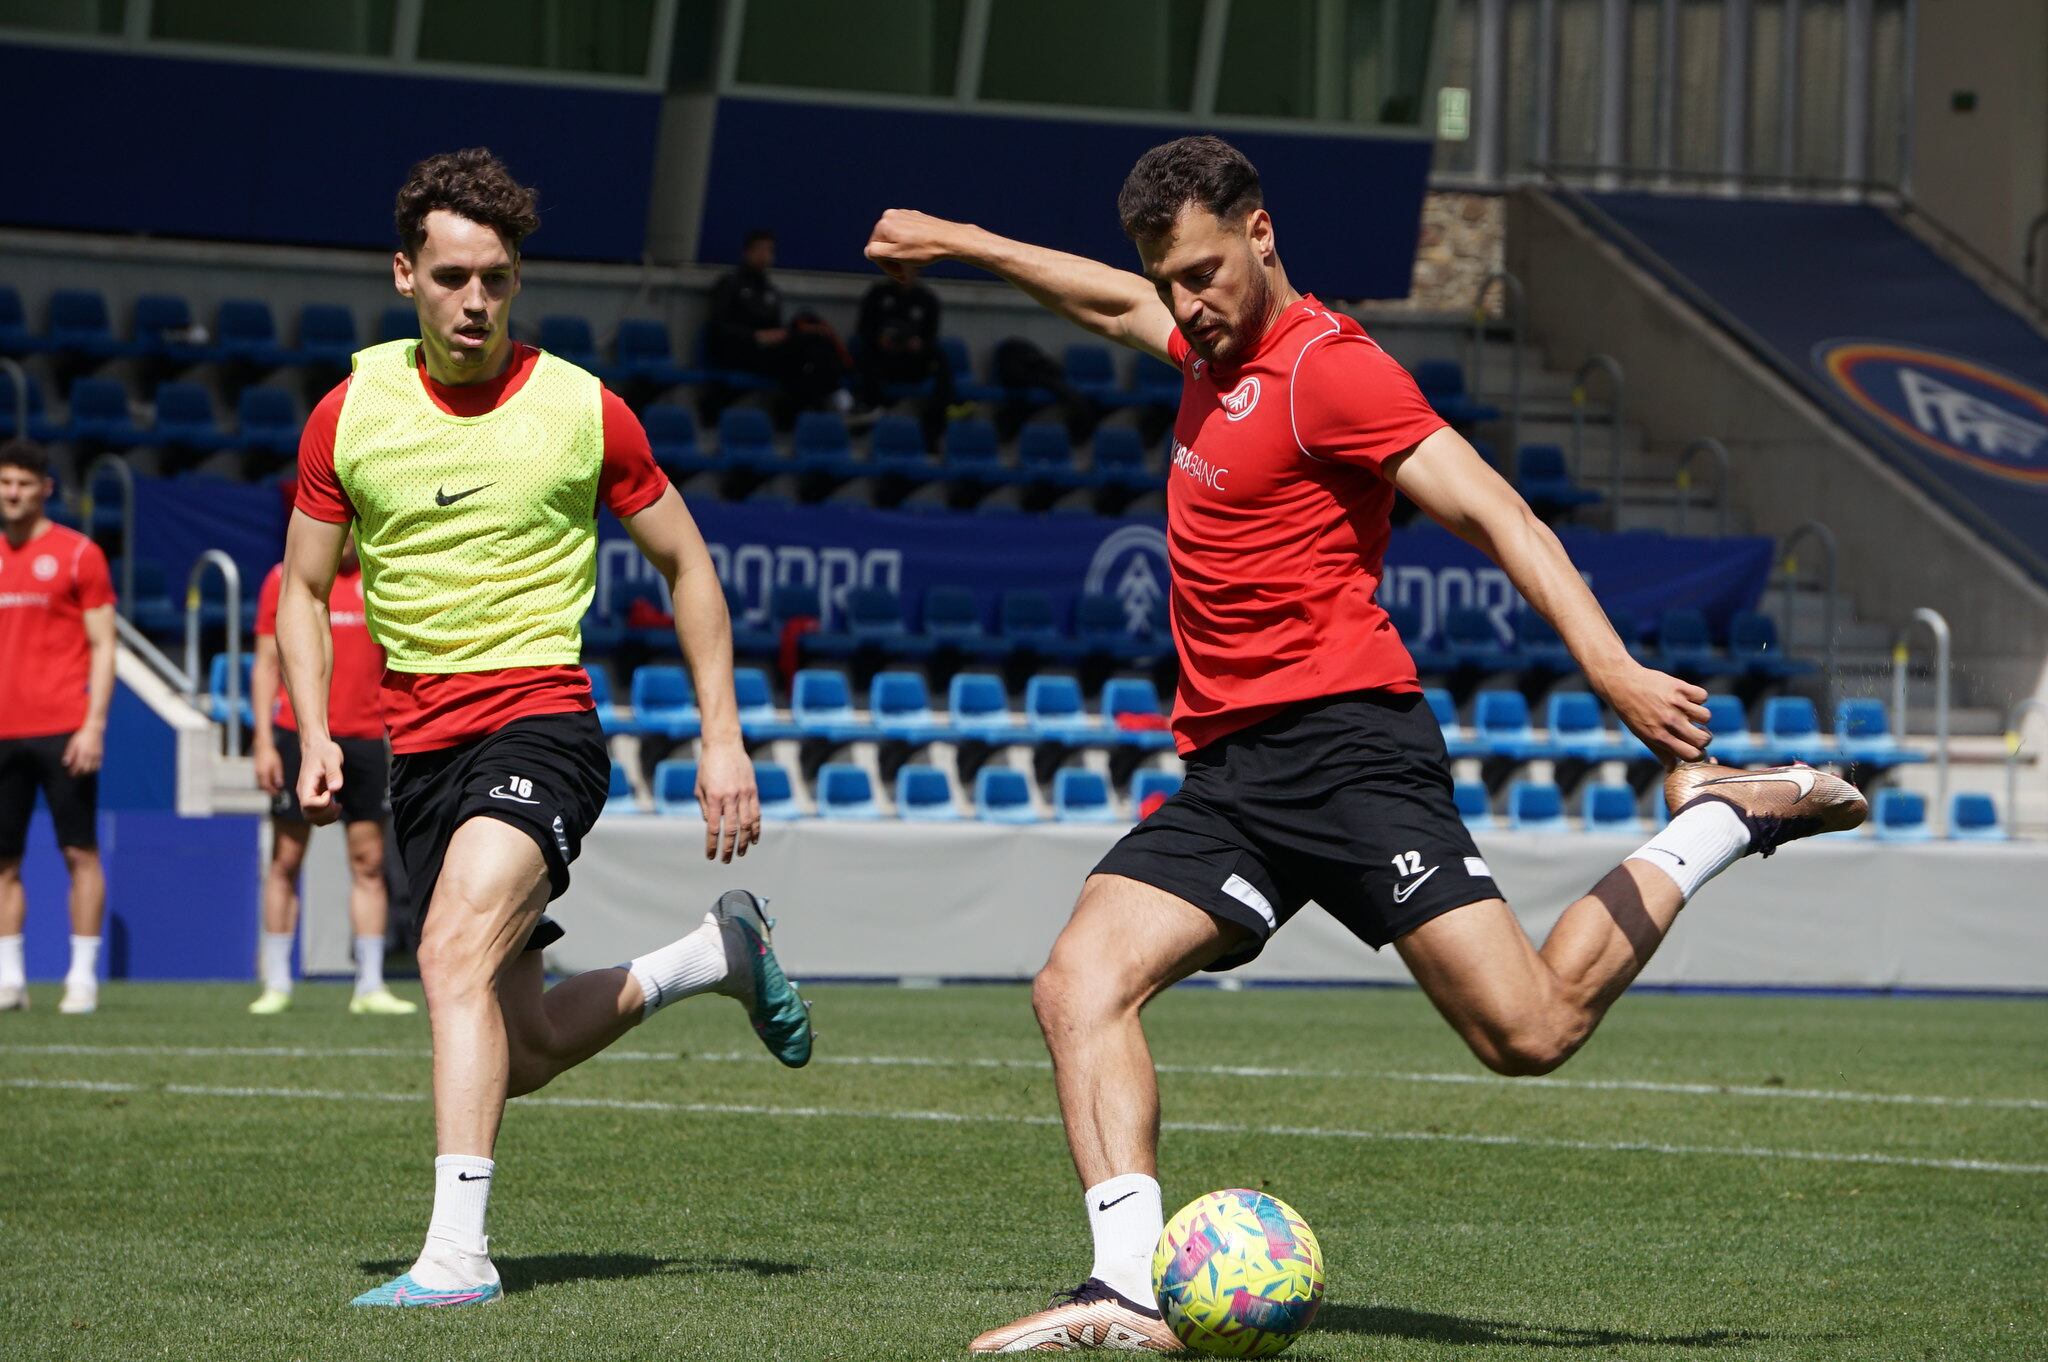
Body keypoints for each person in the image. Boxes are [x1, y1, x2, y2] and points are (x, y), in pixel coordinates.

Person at [866, 135, 1867, 1354]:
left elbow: (1497, 507)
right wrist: (962, 242)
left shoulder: (1329, 372)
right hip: (1232, 776)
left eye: (1199, 273)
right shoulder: (1202, 337)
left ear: (1260, 233)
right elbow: (1112, 298)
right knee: (1077, 984)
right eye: (1169, 281)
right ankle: (1127, 1289)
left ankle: (1720, 818)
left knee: (1528, 1033)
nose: (1184, 304)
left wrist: (1609, 670)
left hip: (1351, 754)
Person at [277, 148, 813, 1309]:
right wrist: (317, 732)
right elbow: (300, 592)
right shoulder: (348, 413)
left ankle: (457, 1259)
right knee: (514, 1048)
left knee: (447, 957)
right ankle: (712, 957)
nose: (476, 301)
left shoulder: (581, 406)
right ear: (404, 276)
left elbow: (686, 563)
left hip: (538, 724)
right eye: (453, 276)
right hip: (414, 751)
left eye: (499, 279)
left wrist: (722, 737)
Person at [248, 535, 414, 1016]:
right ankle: (277, 983)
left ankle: (370, 984)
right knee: (285, 860)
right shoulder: (283, 578)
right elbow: (265, 664)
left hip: (365, 742)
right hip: (297, 736)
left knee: (368, 862)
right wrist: (261, 741)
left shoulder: (381, 577)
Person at [0, 440, 116, 1016]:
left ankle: (81, 978)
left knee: (79, 853)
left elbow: (103, 645)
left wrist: (93, 725)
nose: (13, 493)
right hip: (3, 733)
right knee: (4, 862)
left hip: (64, 729)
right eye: (5, 483)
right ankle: (9, 979)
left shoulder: (78, 555)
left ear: (45, 487)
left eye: (23, 482)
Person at [706, 228, 851, 416]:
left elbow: (776, 326)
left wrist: (780, 334)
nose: (765, 255)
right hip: (740, 349)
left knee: (815, 344)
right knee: (802, 358)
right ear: (747, 251)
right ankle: (826, 404)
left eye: (769, 250)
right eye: (760, 249)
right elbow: (718, 327)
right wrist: (755, 336)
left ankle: (825, 404)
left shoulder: (770, 291)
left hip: (770, 350)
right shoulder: (730, 284)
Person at [852, 263, 958, 437]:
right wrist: (880, 339)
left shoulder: (926, 300)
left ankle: (941, 419)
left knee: (940, 356)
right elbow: (864, 329)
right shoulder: (878, 294)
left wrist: (918, 343)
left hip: (912, 362)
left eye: (911, 269)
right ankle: (868, 410)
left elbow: (931, 336)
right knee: (865, 356)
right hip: (883, 360)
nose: (906, 274)